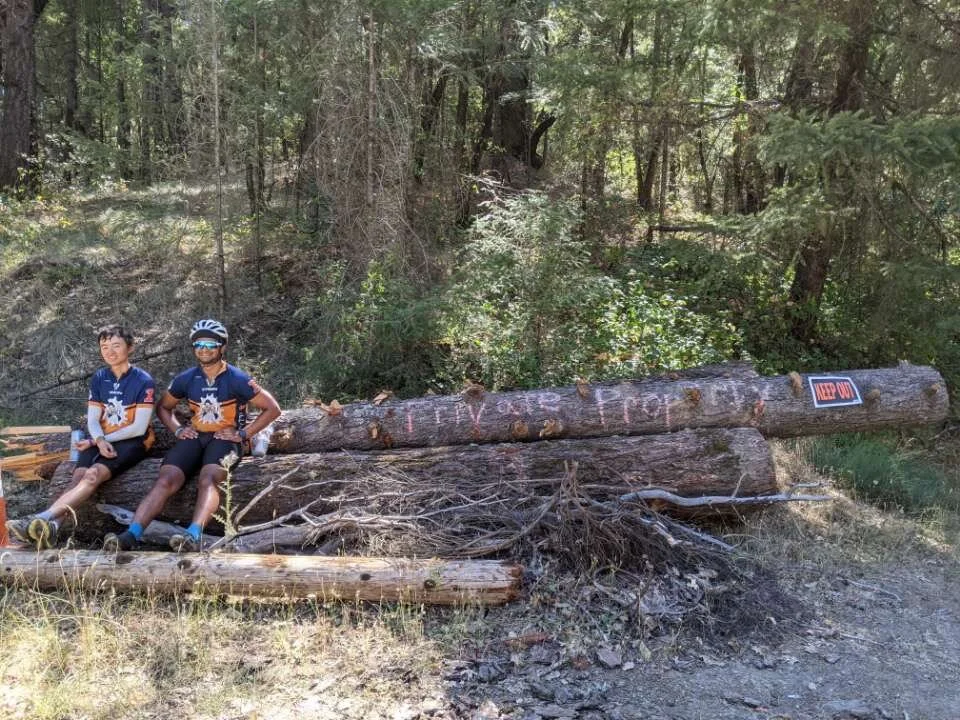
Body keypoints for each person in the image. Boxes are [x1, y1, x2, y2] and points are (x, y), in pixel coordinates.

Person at [104, 319, 281, 552]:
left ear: (222, 347)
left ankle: (192, 535)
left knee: (208, 479)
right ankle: (132, 534)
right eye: (199, 344)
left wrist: (244, 433)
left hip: (224, 440)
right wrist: (178, 429)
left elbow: (273, 408)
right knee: (166, 480)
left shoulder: (237, 378)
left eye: (210, 344)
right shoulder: (186, 378)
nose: (204, 349)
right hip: (196, 437)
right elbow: (163, 407)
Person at [6, 325, 156, 549]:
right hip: (100, 437)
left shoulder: (143, 380)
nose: (110, 351)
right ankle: (53, 528)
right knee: (78, 478)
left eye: (116, 346)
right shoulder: (99, 378)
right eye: (104, 347)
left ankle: (41, 518)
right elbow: (93, 419)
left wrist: (102, 440)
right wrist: (98, 440)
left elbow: (138, 427)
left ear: (130, 348)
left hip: (133, 440)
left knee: (92, 476)